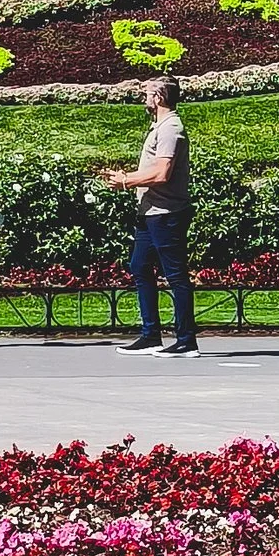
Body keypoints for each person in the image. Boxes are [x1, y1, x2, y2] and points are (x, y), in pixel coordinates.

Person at [105, 74, 196, 354]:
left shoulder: (171, 129)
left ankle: (186, 340)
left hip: (166, 213)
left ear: (158, 98)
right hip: (149, 211)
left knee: (176, 275)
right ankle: (150, 334)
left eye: (147, 93)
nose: (144, 97)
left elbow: (162, 173)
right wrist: (128, 177)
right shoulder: (160, 126)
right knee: (139, 266)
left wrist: (125, 181)